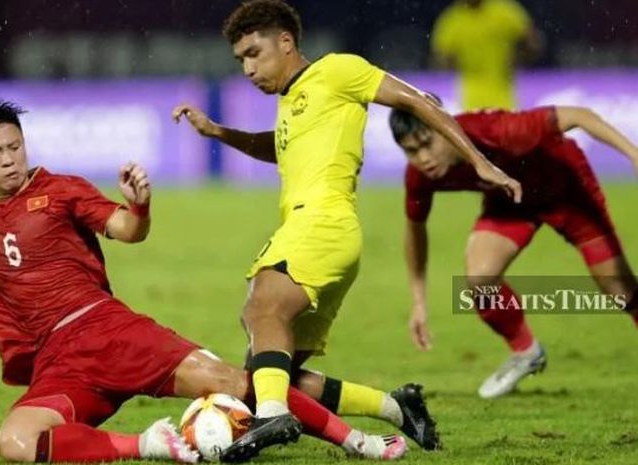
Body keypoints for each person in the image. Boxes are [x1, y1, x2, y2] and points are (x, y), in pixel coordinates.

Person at [0, 96, 411, 463]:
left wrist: (139, 204)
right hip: (58, 364)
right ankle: (151, 443)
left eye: (14, 146)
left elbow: (127, 230)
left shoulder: (60, 190)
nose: (8, 159)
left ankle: (358, 441)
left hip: (109, 332)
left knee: (239, 384)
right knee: (15, 441)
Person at [173, 0, 523, 460]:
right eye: (241, 60)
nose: (248, 68)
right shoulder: (290, 100)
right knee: (263, 373)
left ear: (285, 42)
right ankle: (397, 408)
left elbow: (415, 99)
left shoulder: (338, 70)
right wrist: (220, 132)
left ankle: (274, 418)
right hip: (316, 230)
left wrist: (480, 162)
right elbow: (279, 150)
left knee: (261, 309)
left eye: (254, 53)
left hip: (323, 223)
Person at [389, 103, 638, 399]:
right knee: (480, 279)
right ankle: (526, 351)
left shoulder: (497, 131)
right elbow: (415, 230)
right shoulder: (420, 176)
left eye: (427, 144)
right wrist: (418, 301)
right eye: (411, 151)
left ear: (445, 126)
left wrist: (633, 154)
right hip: (512, 202)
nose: (424, 159)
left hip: (567, 191)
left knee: (619, 289)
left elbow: (578, 116)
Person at [431, 0, 543, 110]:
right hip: (472, 101)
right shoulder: (451, 20)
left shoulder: (504, 11)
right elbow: (441, 59)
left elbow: (532, 42)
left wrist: (519, 57)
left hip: (503, 98)